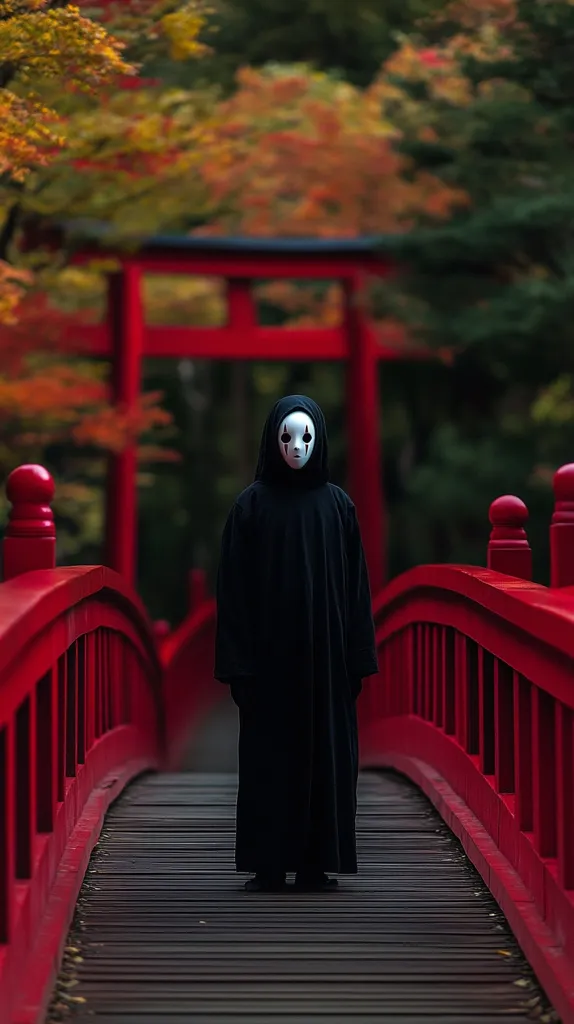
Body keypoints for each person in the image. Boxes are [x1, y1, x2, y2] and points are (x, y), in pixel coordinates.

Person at [214, 395, 378, 893]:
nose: (297, 446)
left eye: (306, 437)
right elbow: (233, 592)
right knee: (269, 758)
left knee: (325, 757)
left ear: (320, 439)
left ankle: (316, 862)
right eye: (287, 437)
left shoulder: (339, 507)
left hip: (327, 661)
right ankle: (268, 862)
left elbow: (356, 591)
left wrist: (356, 657)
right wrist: (238, 665)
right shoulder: (250, 506)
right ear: (273, 439)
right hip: (269, 664)